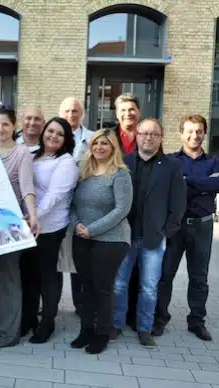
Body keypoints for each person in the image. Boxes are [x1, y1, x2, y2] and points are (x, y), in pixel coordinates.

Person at [111, 118, 186, 348]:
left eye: (154, 134)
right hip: (125, 236)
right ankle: (115, 324)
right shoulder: (123, 162)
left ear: (161, 137)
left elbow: (179, 204)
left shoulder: (172, 166)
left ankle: (145, 328)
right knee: (119, 284)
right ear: (137, 136)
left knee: (149, 287)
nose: (148, 137)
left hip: (154, 238)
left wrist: (166, 232)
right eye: (144, 133)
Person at [0, 107, 40, 348]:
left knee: (7, 279)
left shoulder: (22, 153)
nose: (0, 129)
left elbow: (27, 187)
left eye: (5, 124)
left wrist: (33, 214)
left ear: (14, 126)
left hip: (10, 225)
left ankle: (7, 333)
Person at [154, 114, 218, 342]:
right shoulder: (170, 160)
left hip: (203, 227)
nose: (194, 135)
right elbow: (168, 188)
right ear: (181, 133)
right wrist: (202, 184)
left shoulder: (214, 161)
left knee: (199, 277)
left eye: (199, 131)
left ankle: (196, 321)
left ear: (204, 133)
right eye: (189, 131)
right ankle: (160, 319)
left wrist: (185, 181)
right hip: (175, 227)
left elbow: (216, 183)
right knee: (165, 275)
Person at [69, 129, 132, 355]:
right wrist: (76, 225)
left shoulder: (120, 174)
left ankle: (102, 334)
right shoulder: (83, 171)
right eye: (96, 143)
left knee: (102, 288)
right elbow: (73, 203)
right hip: (82, 236)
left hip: (111, 240)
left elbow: (122, 209)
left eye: (105, 143)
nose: (99, 148)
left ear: (113, 147)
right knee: (85, 287)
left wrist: (92, 230)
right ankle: (86, 330)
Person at [20, 117, 78, 344]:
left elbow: (54, 196)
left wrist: (33, 216)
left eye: (60, 134)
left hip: (50, 228)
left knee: (47, 277)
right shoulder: (33, 154)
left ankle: (47, 323)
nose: (53, 136)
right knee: (28, 276)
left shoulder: (65, 162)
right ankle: (28, 319)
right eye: (50, 131)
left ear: (66, 139)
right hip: (28, 225)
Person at [58, 97, 93, 315]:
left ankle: (81, 306)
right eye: (68, 111)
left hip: (82, 207)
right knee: (56, 260)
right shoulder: (53, 135)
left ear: (82, 114)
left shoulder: (91, 138)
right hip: (57, 208)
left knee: (79, 259)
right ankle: (50, 305)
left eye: (76, 111)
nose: (72, 114)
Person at [111, 93, 141, 330]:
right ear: (116, 114)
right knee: (118, 269)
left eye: (132, 109)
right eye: (123, 110)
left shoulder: (147, 135)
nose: (127, 114)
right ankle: (114, 314)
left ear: (138, 112)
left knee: (138, 271)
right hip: (115, 209)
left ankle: (132, 315)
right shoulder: (110, 137)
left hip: (141, 209)